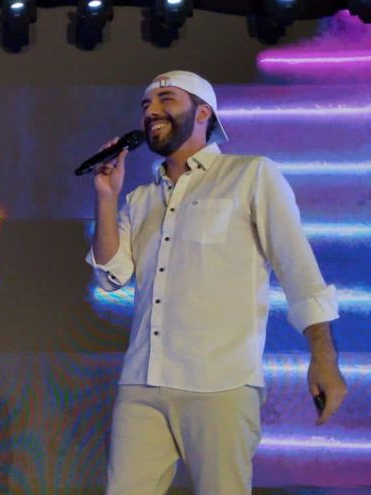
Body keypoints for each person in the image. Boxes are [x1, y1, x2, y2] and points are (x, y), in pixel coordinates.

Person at [85, 70, 348, 494]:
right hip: (142, 382)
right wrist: (106, 197)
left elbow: (298, 268)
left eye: (166, 100)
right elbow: (110, 274)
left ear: (203, 112)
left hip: (220, 382)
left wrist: (323, 357)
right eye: (146, 105)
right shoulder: (140, 198)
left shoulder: (251, 175)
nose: (151, 111)